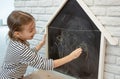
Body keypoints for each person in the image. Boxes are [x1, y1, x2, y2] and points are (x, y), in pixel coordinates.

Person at [0, 10, 82, 79]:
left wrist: (41, 44)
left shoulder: (15, 40)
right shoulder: (20, 49)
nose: (35, 31)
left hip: (12, 74)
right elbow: (45, 65)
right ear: (17, 34)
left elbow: (28, 55)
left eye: (34, 27)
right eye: (31, 30)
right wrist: (71, 56)